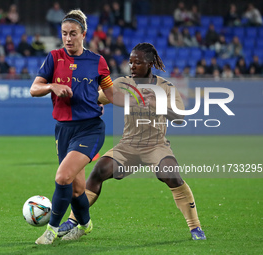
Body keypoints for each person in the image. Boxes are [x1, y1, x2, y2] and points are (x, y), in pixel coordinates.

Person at [58, 42, 206, 241]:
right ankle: (74, 220)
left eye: (138, 62)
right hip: (128, 146)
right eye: (130, 62)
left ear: (150, 63)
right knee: (99, 171)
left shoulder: (166, 87)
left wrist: (158, 104)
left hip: (156, 146)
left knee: (171, 176)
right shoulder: (122, 83)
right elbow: (96, 98)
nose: (132, 66)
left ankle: (195, 227)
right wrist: (91, 103)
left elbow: (180, 117)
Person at [29, 9, 116, 245]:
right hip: (63, 130)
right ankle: (85, 225)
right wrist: (51, 87)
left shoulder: (98, 62)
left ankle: (52, 230)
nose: (68, 38)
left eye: (73, 34)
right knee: (77, 189)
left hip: (90, 128)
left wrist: (137, 97)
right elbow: (34, 89)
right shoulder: (54, 57)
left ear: (83, 34)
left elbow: (111, 94)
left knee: (63, 176)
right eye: (64, 34)